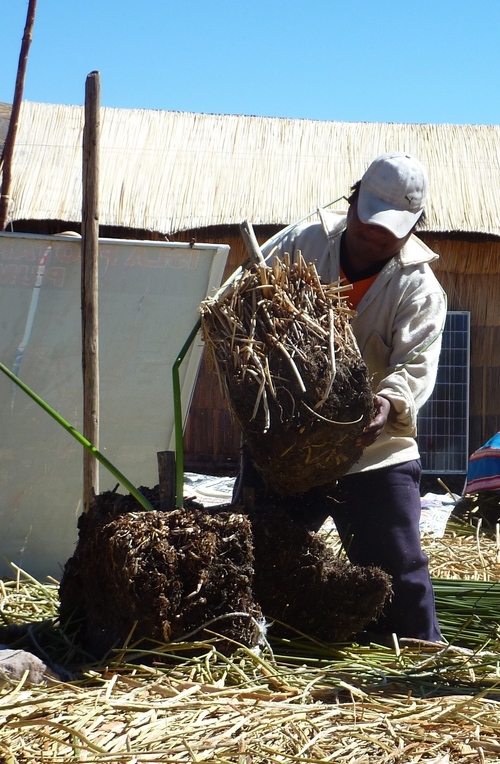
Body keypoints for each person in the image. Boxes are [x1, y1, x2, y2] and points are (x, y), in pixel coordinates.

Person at [236, 152, 447, 643]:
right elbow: (244, 303)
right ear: (352, 201)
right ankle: (264, 649)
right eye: (368, 221)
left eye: (389, 229)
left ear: (414, 226)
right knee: (256, 557)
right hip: (286, 444)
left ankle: (420, 670)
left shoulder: (418, 287)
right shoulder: (302, 243)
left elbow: (416, 365)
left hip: (373, 452)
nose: (374, 235)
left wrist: (388, 403)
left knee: (398, 574)